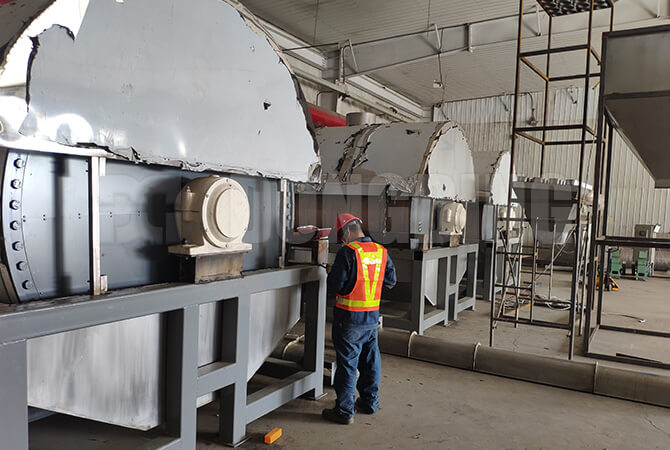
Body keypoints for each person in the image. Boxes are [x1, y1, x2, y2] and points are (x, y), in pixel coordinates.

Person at [322, 213, 396, 425]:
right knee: (370, 361)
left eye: (341, 237)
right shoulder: (381, 251)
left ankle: (344, 411)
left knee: (347, 365)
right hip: (372, 320)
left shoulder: (349, 252)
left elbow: (333, 285)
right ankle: (370, 402)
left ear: (347, 232)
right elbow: (390, 281)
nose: (343, 241)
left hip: (349, 320)